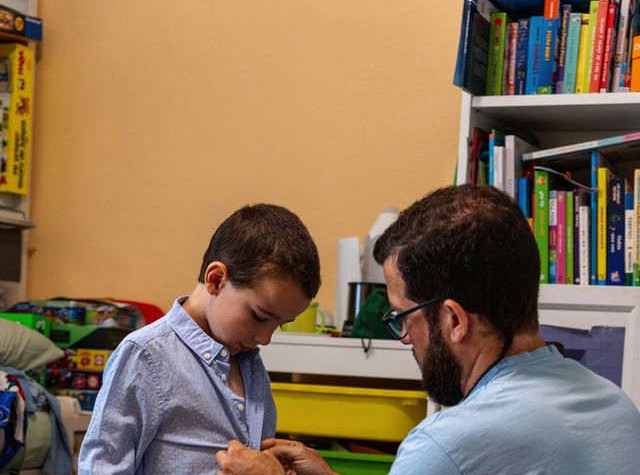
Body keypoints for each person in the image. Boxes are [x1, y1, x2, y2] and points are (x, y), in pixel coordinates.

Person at [216, 185, 640, 475]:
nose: (406, 339)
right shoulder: (614, 406)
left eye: (403, 317)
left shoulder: (447, 446)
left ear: (453, 321)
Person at [78, 203, 321, 474]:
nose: (265, 338)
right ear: (216, 279)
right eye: (260, 317)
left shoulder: (250, 366)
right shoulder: (146, 355)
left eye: (281, 325)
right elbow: (102, 467)